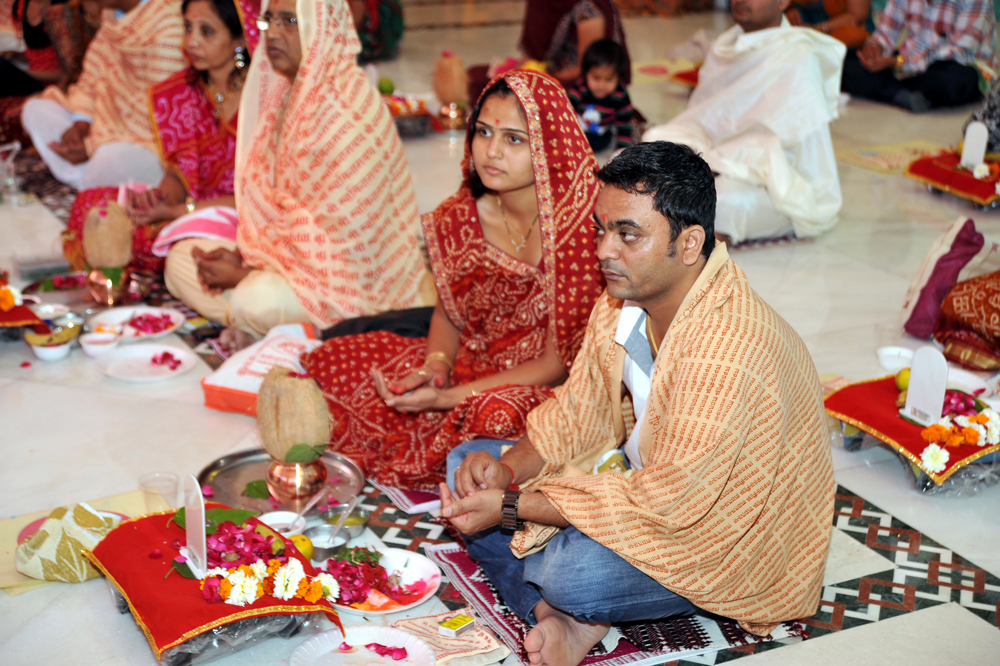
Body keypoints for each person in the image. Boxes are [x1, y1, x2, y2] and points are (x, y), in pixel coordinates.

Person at [439, 141, 835, 666]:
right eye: (601, 230)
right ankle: (557, 617)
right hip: (646, 482)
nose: (605, 250)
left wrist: (514, 506)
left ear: (689, 243)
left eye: (628, 234)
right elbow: (576, 414)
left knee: (571, 572)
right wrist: (508, 473)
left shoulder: (728, 346)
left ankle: (567, 601)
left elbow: (673, 502)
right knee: (468, 466)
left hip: (728, 537)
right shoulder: (623, 299)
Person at [299, 70, 606, 489]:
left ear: (549, 146)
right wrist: (435, 368)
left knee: (496, 416)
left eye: (514, 139)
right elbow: (448, 317)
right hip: (470, 364)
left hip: (546, 386)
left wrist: (447, 398)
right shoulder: (462, 214)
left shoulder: (582, 226)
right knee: (338, 360)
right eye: (484, 132)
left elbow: (556, 364)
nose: (492, 151)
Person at [163, 0, 429, 350]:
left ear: (321, 29)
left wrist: (246, 275)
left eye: (289, 21)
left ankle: (267, 321)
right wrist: (244, 257)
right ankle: (275, 326)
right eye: (269, 20)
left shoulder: (349, 112)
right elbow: (275, 210)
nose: (273, 32)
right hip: (289, 267)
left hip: (359, 289)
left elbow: (348, 253)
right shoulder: (281, 94)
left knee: (255, 299)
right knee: (180, 261)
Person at [61, 0, 259, 275]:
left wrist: (179, 211)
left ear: (239, 39)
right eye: (187, 27)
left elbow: (259, 197)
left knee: (183, 248)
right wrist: (160, 199)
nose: (191, 41)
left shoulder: (261, 97)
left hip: (241, 216)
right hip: (188, 209)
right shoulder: (182, 92)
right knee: (91, 206)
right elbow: (178, 174)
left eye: (206, 31)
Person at [643, 0, 844, 247]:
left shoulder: (797, 55)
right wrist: (704, 159)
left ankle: (695, 228)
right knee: (653, 140)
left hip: (772, 180)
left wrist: (718, 163)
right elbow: (703, 120)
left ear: (782, 2)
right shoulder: (724, 46)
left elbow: (788, 152)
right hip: (718, 161)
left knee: (728, 200)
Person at [20, 0, 186, 190]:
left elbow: (159, 118)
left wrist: (91, 146)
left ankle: (89, 179)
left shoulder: (169, 26)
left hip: (146, 142)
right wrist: (81, 123)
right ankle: (92, 180)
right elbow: (91, 77)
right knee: (35, 109)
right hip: (104, 125)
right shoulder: (112, 17)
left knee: (117, 159)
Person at [841, 0, 995, 111]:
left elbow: (959, 51)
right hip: (907, 63)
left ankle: (892, 91)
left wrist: (898, 62)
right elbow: (886, 32)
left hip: (957, 64)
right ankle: (906, 96)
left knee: (955, 80)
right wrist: (876, 48)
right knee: (845, 61)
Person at [566, 39, 634, 153]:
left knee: (600, 143)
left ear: (619, 77)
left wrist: (621, 150)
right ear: (586, 73)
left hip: (602, 134)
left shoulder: (620, 95)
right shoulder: (581, 87)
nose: (601, 85)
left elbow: (625, 124)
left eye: (609, 79)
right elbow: (565, 110)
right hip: (578, 129)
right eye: (596, 78)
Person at [785, 0, 870, 48]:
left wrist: (818, 29)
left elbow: (856, 16)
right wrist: (789, 11)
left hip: (839, 34)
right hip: (803, 32)